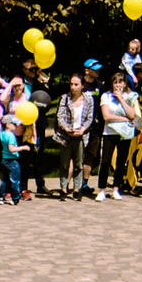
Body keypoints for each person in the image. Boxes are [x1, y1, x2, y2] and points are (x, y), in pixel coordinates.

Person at [54, 71, 94, 199]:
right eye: (71, 84)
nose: (73, 87)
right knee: (64, 164)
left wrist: (82, 129)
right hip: (66, 135)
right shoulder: (65, 98)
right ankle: (63, 188)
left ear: (82, 86)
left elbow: (90, 117)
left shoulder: (88, 99)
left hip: (80, 135)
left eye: (76, 84)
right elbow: (60, 116)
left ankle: (77, 189)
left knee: (78, 164)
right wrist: (66, 128)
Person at [97, 73, 137, 199]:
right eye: (115, 82)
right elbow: (107, 116)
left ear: (125, 84)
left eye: (120, 82)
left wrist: (121, 99)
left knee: (121, 162)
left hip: (125, 134)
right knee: (105, 162)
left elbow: (132, 115)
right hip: (109, 133)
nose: (118, 85)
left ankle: (116, 189)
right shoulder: (106, 96)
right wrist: (124, 118)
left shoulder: (130, 97)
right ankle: (102, 190)